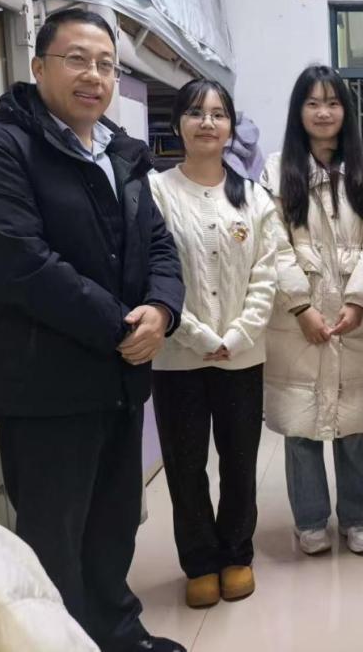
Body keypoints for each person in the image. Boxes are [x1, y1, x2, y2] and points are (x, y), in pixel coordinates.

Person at [0, 8, 186, 652]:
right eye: (77, 59)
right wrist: (120, 327)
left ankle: (118, 634)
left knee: (114, 524)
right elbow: (20, 263)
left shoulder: (119, 153)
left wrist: (162, 310)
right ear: (39, 66)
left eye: (106, 64)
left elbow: (159, 247)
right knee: (53, 538)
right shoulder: (0, 150)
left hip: (118, 381)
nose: (94, 75)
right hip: (46, 387)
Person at [149, 78, 277, 609]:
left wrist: (238, 334)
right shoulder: (156, 192)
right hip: (177, 356)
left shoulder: (254, 197)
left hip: (242, 356)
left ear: (230, 127)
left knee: (240, 461)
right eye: (196, 113)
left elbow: (267, 273)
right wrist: (197, 334)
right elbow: (151, 271)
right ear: (178, 123)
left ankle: (236, 554)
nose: (207, 122)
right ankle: (200, 561)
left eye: (218, 113)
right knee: (185, 466)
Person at [261, 65, 363, 557]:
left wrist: (359, 300)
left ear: (345, 111)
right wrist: (300, 306)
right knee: (302, 426)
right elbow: (272, 245)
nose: (323, 112)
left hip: (356, 318)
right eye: (312, 103)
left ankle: (357, 517)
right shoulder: (277, 170)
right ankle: (310, 519)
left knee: (351, 426)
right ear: (299, 111)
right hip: (298, 320)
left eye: (332, 103)